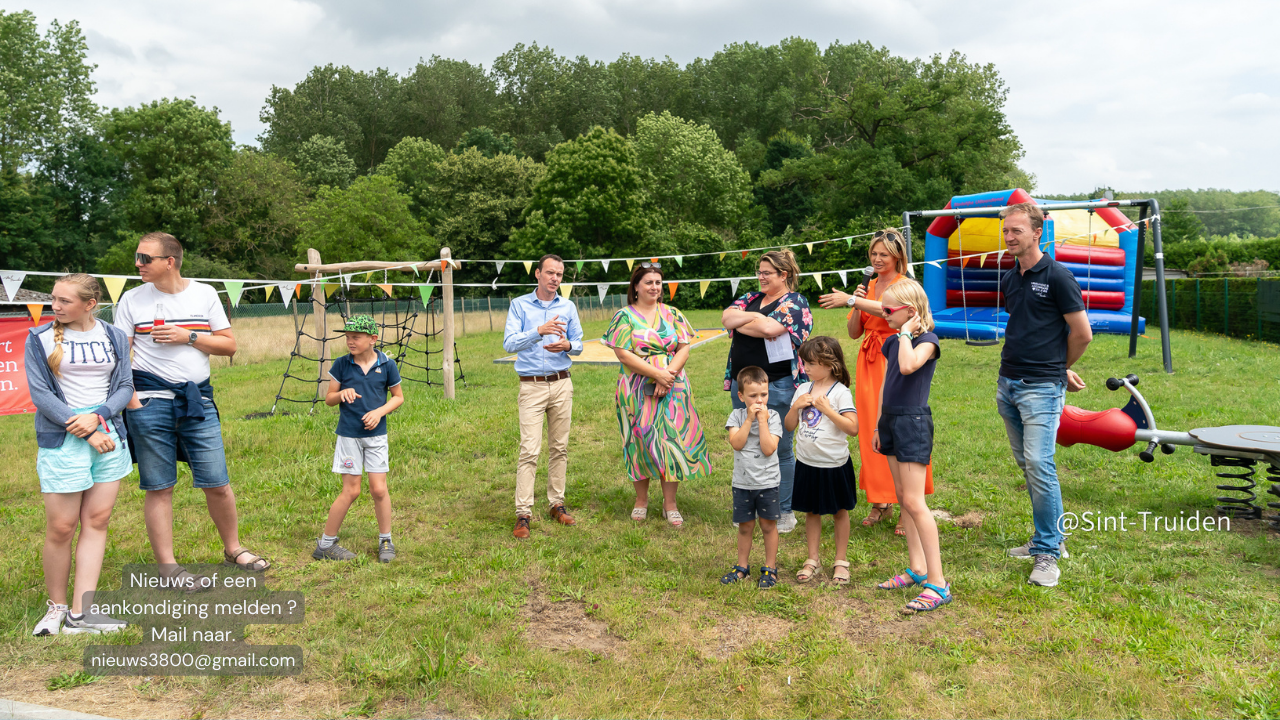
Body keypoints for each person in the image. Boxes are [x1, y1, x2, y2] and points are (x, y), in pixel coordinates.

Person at [115, 232, 270, 581]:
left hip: (197, 401)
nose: (137, 264)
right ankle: (168, 568)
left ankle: (234, 550)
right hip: (149, 403)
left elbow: (229, 346)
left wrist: (190, 336)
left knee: (217, 482)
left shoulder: (204, 294)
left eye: (145, 259)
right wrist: (133, 400)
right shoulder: (131, 300)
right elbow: (120, 355)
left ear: (170, 261)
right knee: (159, 486)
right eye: (137, 258)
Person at [26, 274, 133, 635]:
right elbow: (42, 395)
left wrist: (100, 417)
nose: (54, 307)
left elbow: (125, 386)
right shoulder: (38, 339)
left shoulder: (114, 335)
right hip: (64, 436)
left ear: (90, 304)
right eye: (53, 299)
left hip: (107, 432)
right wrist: (86, 429)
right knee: (61, 527)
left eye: (64, 301)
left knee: (97, 521)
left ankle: (80, 614)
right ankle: (56, 609)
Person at [996, 202, 1092, 587]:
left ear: (1037, 232)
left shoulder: (1058, 277)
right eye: (1006, 231)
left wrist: (1058, 368)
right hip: (1008, 384)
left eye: (1016, 230)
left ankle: (1049, 553)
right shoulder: (1010, 279)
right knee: (1030, 466)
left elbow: (1082, 334)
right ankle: (1045, 537)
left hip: (1041, 388)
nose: (1009, 237)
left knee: (1040, 465)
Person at [819, 229, 933, 535]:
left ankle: (908, 507)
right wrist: (856, 302)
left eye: (884, 254)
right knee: (873, 428)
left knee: (896, 426)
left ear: (898, 256)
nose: (878, 259)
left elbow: (889, 311)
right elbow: (855, 332)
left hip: (895, 355)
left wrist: (849, 301)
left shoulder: (903, 285)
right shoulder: (869, 285)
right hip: (869, 359)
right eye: (874, 254)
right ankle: (880, 501)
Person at [602, 263, 711, 527]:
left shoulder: (672, 313)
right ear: (636, 286)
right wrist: (656, 374)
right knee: (637, 439)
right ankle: (641, 500)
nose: (654, 287)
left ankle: (669, 503)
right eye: (648, 282)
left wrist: (668, 375)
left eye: (658, 283)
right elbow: (623, 353)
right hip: (636, 387)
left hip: (673, 387)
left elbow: (684, 348)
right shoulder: (624, 316)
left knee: (671, 440)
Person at [871, 279, 951, 613]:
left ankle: (938, 583)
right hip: (890, 421)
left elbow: (908, 366)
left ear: (911, 312)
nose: (883, 313)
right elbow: (886, 383)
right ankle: (917, 569)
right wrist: (878, 423)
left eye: (889, 309)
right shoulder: (892, 342)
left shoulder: (928, 341)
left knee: (916, 503)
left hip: (912, 423)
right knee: (904, 498)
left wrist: (906, 333)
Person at [720, 249, 813, 533]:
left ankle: (784, 511)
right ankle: (748, 506)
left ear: (783, 275)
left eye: (766, 273)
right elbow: (726, 318)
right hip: (743, 385)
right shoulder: (750, 298)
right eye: (759, 272)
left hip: (779, 385)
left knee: (779, 448)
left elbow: (771, 327)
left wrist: (746, 322)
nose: (760, 277)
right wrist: (756, 323)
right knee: (746, 443)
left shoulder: (796, 302)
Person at [502, 254, 584, 539]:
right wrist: (539, 331)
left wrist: (568, 344)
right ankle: (523, 513)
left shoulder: (568, 306)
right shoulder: (519, 305)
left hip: (562, 383)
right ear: (537, 274)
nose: (555, 279)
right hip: (532, 385)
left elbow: (580, 344)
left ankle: (556, 504)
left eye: (559, 274)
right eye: (550, 273)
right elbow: (509, 342)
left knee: (559, 447)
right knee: (529, 450)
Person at [313, 316, 405, 563]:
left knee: (379, 489)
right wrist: (341, 393)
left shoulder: (387, 365)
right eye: (347, 337)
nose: (349, 342)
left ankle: (385, 539)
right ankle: (326, 544)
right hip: (349, 436)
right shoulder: (342, 364)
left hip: (376, 437)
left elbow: (398, 397)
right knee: (351, 491)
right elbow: (329, 398)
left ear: (372, 339)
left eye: (356, 337)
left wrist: (379, 412)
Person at [786, 336, 859, 584]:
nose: (805, 368)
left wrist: (828, 410)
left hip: (834, 465)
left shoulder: (840, 393)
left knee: (839, 511)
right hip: (806, 463)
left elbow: (852, 428)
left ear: (829, 364)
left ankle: (841, 561)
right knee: (811, 512)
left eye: (811, 364)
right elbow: (788, 426)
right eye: (804, 363)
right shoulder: (802, 389)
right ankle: (812, 559)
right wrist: (795, 407)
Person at [721, 366, 783, 589]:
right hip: (743, 483)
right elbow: (736, 444)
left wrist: (763, 421)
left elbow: (769, 449)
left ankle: (770, 568)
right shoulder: (736, 416)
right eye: (753, 396)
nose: (759, 400)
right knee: (745, 526)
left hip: (767, 483)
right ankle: (742, 567)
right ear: (741, 396)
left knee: (768, 526)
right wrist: (749, 420)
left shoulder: (773, 417)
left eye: (764, 395)